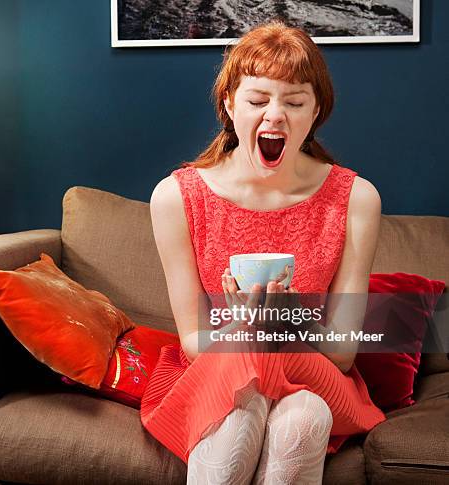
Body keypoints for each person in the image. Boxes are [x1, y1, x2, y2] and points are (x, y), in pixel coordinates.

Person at [140, 20, 386, 484]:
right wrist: (240, 327)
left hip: (314, 367)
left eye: (294, 102)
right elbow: (195, 345)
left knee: (302, 408)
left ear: (316, 113)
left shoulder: (356, 198)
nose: (275, 116)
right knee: (277, 413)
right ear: (229, 105)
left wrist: (289, 321)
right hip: (219, 367)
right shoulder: (176, 197)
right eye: (257, 100)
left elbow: (344, 353)